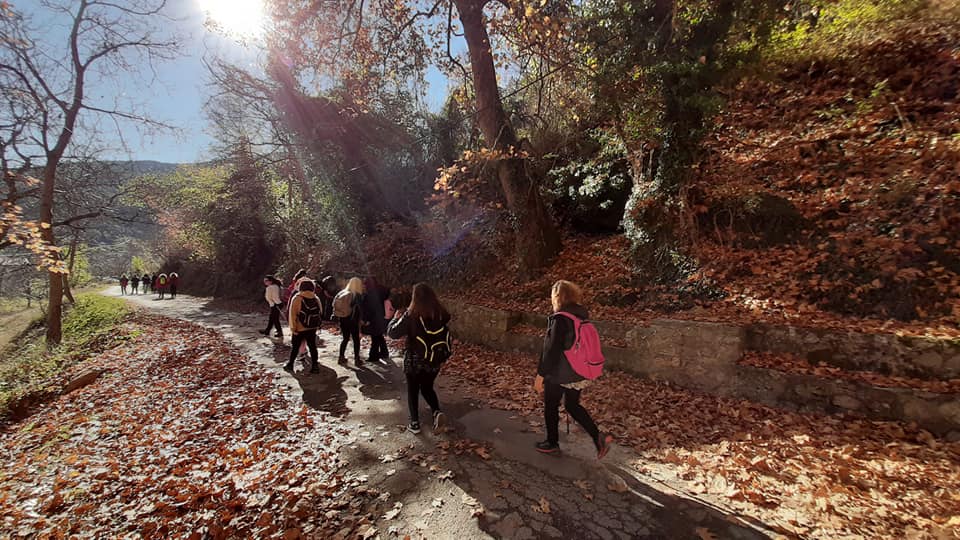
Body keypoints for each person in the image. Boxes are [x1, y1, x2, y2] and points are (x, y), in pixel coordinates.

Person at [534, 280, 613, 459]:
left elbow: (551, 350)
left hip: (560, 373)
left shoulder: (560, 319)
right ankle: (598, 437)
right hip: (579, 371)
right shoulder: (582, 317)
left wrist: (541, 375)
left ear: (557, 297)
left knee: (551, 405)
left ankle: (552, 443)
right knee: (572, 405)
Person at [387, 283, 451, 434]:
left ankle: (415, 424)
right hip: (435, 358)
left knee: (413, 390)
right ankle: (436, 412)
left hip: (415, 360)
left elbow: (393, 333)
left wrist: (395, 319)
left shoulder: (411, 315)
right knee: (427, 387)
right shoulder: (441, 313)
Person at [285, 279, 322, 374]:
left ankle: (290, 364)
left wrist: (293, 328)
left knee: (295, 347)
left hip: (300, 328)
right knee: (312, 347)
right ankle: (315, 366)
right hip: (312, 327)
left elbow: (292, 315)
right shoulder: (316, 298)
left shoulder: (297, 298)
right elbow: (320, 312)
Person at [335, 277, 364, 366]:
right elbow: (360, 309)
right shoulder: (357, 295)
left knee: (345, 338)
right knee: (356, 340)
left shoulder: (342, 293)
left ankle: (341, 357)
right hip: (353, 320)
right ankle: (357, 359)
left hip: (343, 319)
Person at [362, 277, 390, 362]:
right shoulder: (382, 291)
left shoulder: (369, 294)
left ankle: (374, 356)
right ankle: (384, 352)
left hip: (373, 318)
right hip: (381, 316)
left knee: (375, 337)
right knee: (379, 335)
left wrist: (366, 319)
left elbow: (367, 308)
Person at [260, 275, 284, 339]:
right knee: (272, 318)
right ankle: (267, 330)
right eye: (264, 281)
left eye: (266, 281)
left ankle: (279, 332)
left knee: (275, 319)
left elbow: (271, 297)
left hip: (275, 304)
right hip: (278, 304)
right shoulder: (276, 286)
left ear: (271, 281)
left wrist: (274, 304)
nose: (265, 282)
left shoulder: (270, 287)